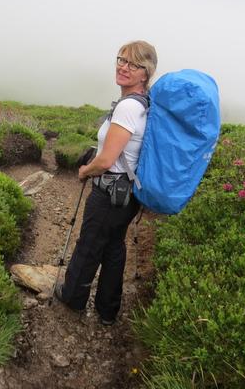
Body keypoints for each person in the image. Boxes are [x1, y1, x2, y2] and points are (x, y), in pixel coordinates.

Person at [55, 40, 157, 326]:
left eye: (133, 64)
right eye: (121, 60)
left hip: (109, 192)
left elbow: (107, 159)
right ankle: (107, 310)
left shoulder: (127, 108)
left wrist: (86, 170)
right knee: (114, 247)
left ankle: (72, 298)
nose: (123, 67)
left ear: (145, 74)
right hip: (127, 194)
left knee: (89, 244)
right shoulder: (143, 105)